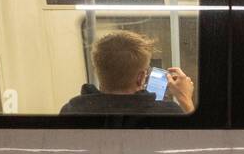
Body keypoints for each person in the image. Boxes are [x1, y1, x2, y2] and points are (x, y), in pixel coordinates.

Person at [60, 31, 194, 115]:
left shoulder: (72, 110)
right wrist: (185, 98)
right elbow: (195, 142)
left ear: (97, 71)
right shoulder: (167, 112)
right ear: (141, 77)